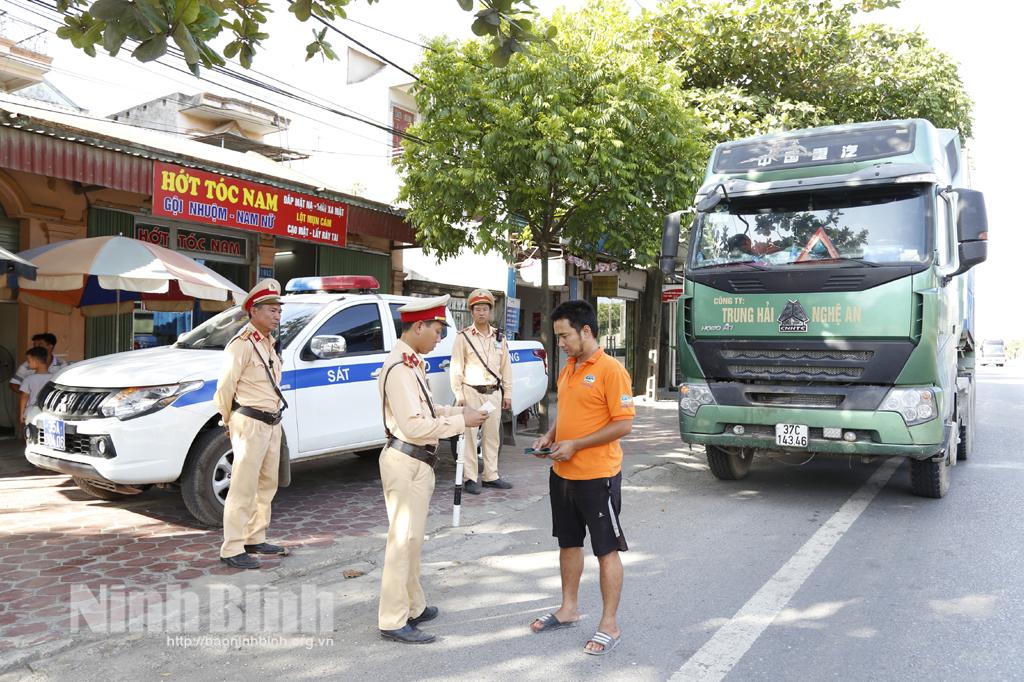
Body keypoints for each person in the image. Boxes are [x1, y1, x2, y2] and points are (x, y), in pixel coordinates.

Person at [377, 294, 487, 644]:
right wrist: (460, 423)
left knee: (412, 542)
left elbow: (428, 412)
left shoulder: (411, 364)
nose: (440, 338)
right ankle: (392, 619)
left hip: (417, 462)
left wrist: (459, 414)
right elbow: (413, 426)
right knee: (401, 542)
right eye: (437, 330)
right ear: (418, 327)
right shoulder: (398, 368)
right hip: (405, 458)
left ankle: (412, 605)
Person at [529, 299, 635, 656]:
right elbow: (569, 413)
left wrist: (576, 445)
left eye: (564, 336)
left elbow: (624, 423)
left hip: (597, 476)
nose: (560, 343)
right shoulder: (570, 366)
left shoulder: (610, 370)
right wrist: (552, 436)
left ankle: (610, 624)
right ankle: (569, 608)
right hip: (562, 473)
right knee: (568, 543)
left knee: (605, 549)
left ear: (585, 331)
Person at [213, 279, 289, 570]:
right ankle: (232, 547)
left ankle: (254, 537)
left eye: (278, 310)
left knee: (267, 485)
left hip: (272, 423)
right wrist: (227, 418)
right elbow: (224, 387)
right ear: (254, 311)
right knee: (243, 487)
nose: (276, 314)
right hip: (250, 421)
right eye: (271, 309)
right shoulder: (241, 344)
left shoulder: (268, 344)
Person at [450, 288, 514, 495]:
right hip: (470, 392)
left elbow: (506, 367)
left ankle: (491, 476)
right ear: (472, 312)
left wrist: (508, 394)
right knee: (469, 435)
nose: (481, 313)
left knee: (492, 436)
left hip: (493, 393)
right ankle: (469, 478)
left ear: (490, 311)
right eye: (477, 309)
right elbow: (456, 368)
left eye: (485, 309)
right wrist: (459, 394)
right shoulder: (463, 337)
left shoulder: (499, 338)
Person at [18, 347, 52, 431]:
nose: (28, 364)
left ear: (35, 361)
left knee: (31, 435)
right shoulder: (54, 377)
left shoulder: (29, 379)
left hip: (32, 412)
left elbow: (24, 397)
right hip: (50, 411)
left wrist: (21, 414)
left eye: (29, 361)